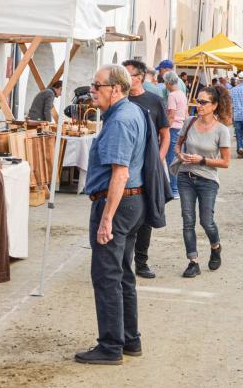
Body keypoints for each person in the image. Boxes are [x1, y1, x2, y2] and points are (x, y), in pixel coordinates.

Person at [75, 64, 146, 366]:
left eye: (97, 85)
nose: (93, 91)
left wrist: (106, 219)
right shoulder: (130, 112)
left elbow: (120, 173)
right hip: (132, 203)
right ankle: (129, 340)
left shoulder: (120, 120)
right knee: (123, 274)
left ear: (116, 89)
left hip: (117, 203)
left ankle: (111, 346)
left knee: (107, 275)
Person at [175, 85, 231, 277]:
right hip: (185, 177)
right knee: (188, 220)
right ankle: (193, 262)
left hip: (208, 180)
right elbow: (178, 145)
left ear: (214, 105)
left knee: (207, 222)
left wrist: (203, 160)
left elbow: (225, 162)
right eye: (198, 101)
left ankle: (215, 247)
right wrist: (180, 155)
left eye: (203, 102)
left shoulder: (221, 130)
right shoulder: (189, 122)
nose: (199, 105)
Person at [122, 60, 169, 280]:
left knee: (146, 215)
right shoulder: (120, 100)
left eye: (127, 74)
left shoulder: (155, 101)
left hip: (148, 168)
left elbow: (165, 134)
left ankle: (141, 262)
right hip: (123, 166)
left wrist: (157, 160)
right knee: (122, 214)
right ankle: (123, 263)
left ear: (139, 77)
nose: (123, 78)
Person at [164, 71, 188, 198]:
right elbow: (185, 113)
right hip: (181, 127)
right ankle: (177, 187)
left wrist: (165, 130)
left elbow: (171, 115)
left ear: (168, 82)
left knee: (171, 159)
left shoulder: (172, 95)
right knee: (178, 158)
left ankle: (174, 189)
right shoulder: (182, 94)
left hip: (173, 128)